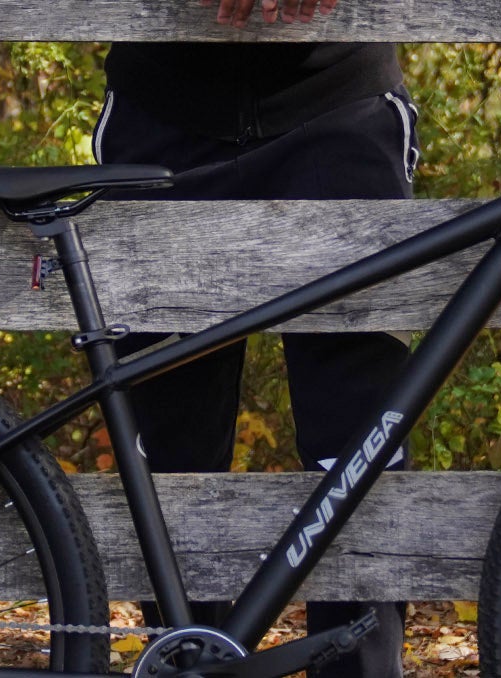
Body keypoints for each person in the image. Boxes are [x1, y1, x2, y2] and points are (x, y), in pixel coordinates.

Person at [94, 6, 416, 676]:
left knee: (358, 440)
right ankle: (184, 660)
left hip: (340, 102)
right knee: (171, 442)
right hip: (163, 106)